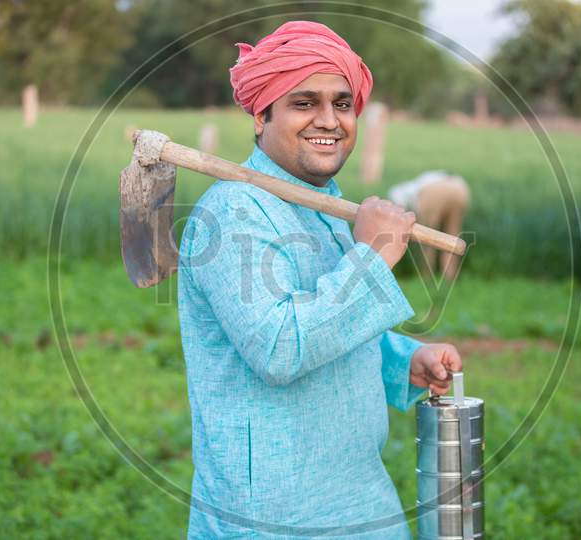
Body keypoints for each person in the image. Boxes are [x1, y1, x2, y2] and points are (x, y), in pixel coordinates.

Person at [177, 21, 462, 539]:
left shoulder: (329, 207)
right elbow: (281, 346)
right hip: (272, 517)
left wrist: (400, 360)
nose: (329, 120)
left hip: (360, 503)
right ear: (261, 115)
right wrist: (373, 256)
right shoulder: (233, 212)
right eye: (304, 103)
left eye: (343, 103)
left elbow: (325, 317)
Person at [388, 171, 470, 281]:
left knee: (428, 240)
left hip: (434, 191)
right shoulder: (415, 184)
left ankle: (426, 277)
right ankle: (450, 278)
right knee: (452, 238)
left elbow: (398, 214)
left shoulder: (397, 193)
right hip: (460, 187)